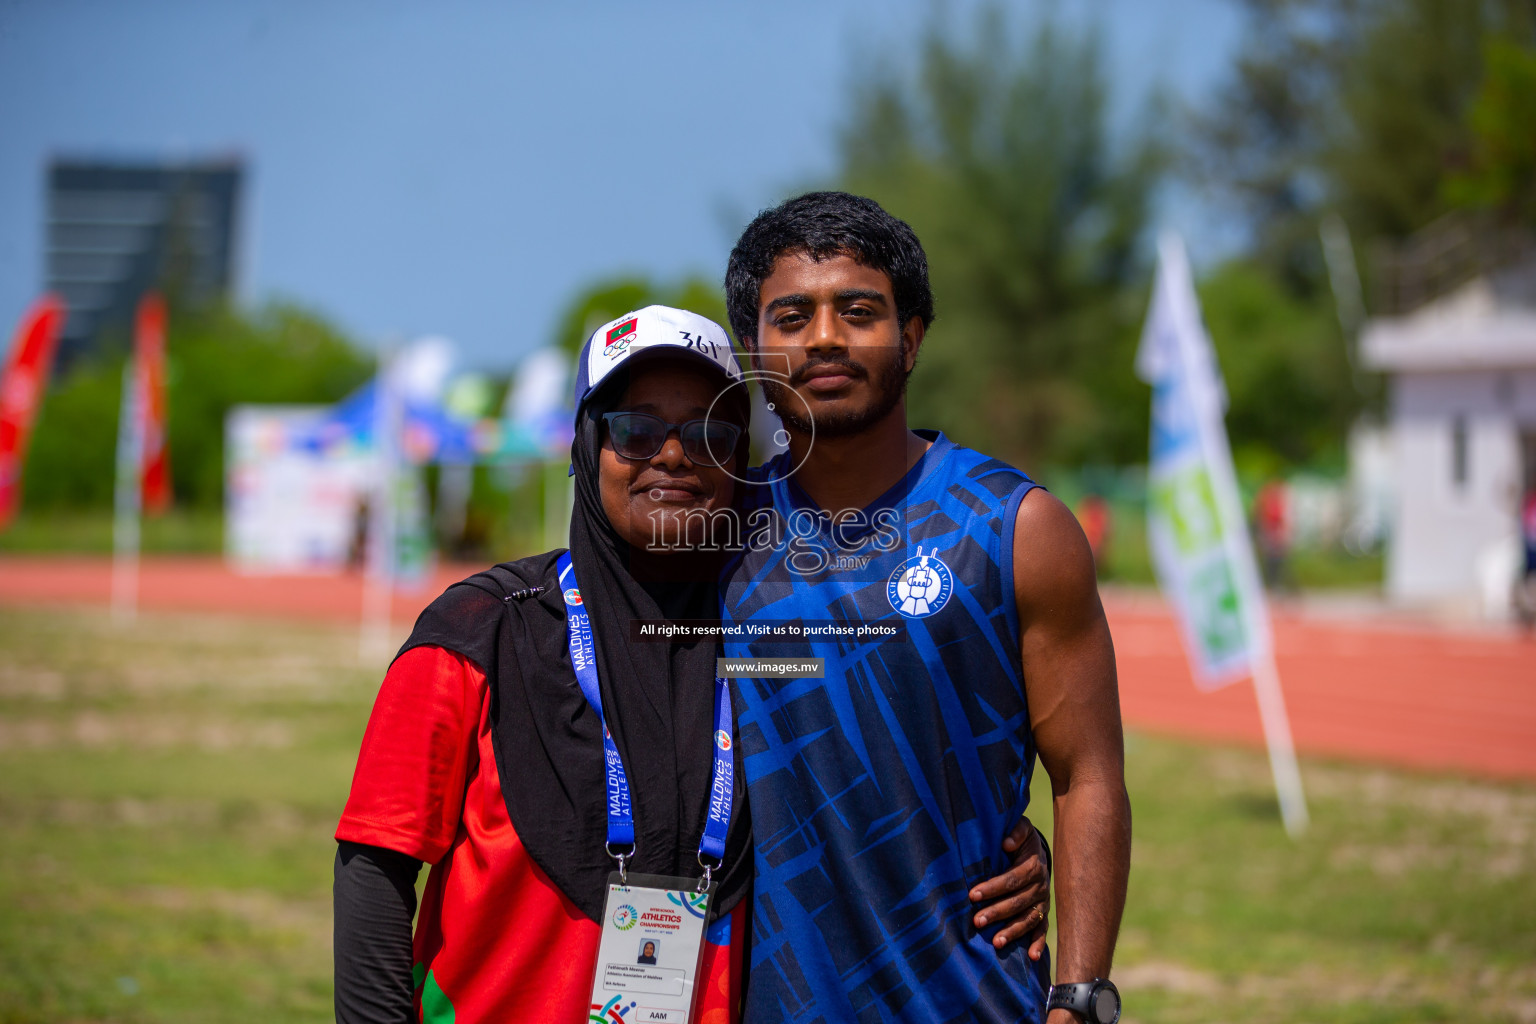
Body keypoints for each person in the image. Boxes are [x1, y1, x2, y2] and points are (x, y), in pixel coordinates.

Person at [332, 306, 1052, 1023]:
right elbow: (376, 868)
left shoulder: (765, 634)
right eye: (636, 430)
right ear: (589, 444)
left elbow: (874, 781)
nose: (673, 456)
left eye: (710, 435)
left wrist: (1004, 848)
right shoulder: (477, 632)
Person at [719, 192, 1132, 1023]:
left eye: (860, 311)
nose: (826, 336)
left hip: (972, 1002)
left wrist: (1079, 1000)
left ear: (910, 339)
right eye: (792, 316)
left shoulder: (1015, 529)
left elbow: (1088, 777)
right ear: (753, 350)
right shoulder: (709, 529)